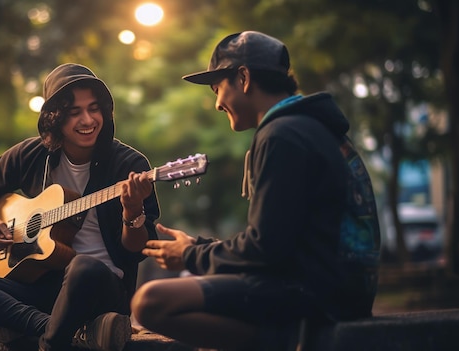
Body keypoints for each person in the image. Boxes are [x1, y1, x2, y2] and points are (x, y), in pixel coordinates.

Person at [132, 31, 380, 350]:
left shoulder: (282, 135)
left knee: (150, 302)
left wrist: (191, 255)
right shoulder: (306, 126)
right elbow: (276, 240)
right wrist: (200, 246)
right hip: (338, 287)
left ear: (244, 78)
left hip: (318, 294)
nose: (218, 103)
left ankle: (276, 343)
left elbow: (266, 250)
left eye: (218, 89)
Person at [0, 63, 160, 351]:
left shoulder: (130, 165)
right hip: (40, 289)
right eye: (75, 112)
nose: (88, 120)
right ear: (55, 118)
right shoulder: (32, 154)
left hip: (101, 288)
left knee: (83, 266)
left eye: (94, 108)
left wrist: (132, 212)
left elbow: (137, 250)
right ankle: (53, 328)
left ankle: (37, 334)